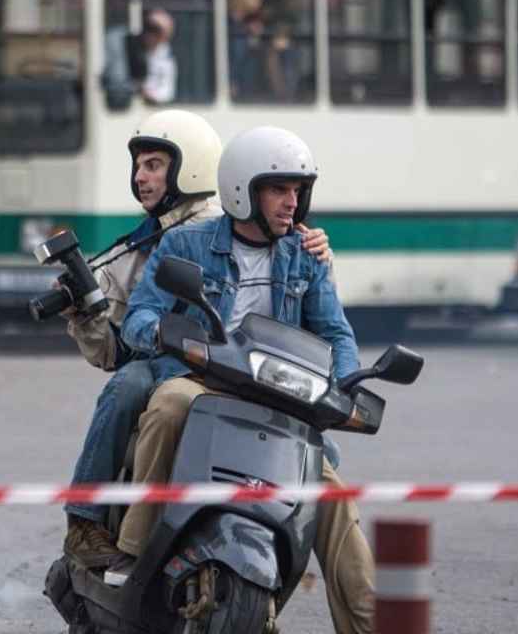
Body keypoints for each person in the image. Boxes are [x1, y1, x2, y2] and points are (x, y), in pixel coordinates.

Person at [115, 126, 374, 634]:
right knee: (167, 405)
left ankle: (372, 624)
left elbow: (336, 333)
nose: (291, 202)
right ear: (242, 189)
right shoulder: (186, 243)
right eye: (279, 189)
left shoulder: (306, 253)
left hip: (277, 397)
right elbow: (139, 317)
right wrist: (174, 336)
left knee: (332, 497)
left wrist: (348, 385)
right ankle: (132, 547)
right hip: (204, 381)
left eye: (298, 191)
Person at [61, 112, 333, 570]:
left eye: (153, 165)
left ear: (189, 167)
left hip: (252, 371)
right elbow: (117, 349)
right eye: (139, 166)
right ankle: (89, 523)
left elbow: (328, 324)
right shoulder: (141, 243)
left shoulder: (226, 226)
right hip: (178, 363)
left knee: (328, 460)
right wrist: (87, 314)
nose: (141, 177)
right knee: (129, 386)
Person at [139, 8, 177, 104]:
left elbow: (167, 92)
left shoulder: (167, 59)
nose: (149, 34)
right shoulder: (133, 48)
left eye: (155, 30)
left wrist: (150, 94)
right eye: (147, 28)